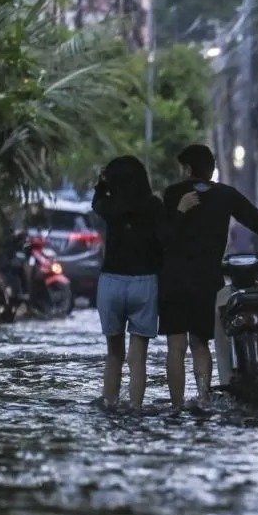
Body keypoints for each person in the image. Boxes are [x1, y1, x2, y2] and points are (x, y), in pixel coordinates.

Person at [158, 144, 258, 410]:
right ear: (211, 170)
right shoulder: (226, 195)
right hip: (208, 281)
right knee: (200, 343)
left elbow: (164, 238)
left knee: (175, 347)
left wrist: (179, 211)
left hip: (174, 280)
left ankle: (177, 406)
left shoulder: (174, 194)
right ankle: (202, 399)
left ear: (188, 169)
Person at [90, 155, 165, 411]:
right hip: (144, 282)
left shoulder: (110, 206)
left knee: (114, 355)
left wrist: (101, 184)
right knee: (138, 358)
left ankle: (110, 402)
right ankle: (135, 406)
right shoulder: (154, 206)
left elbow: (96, 203)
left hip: (111, 282)